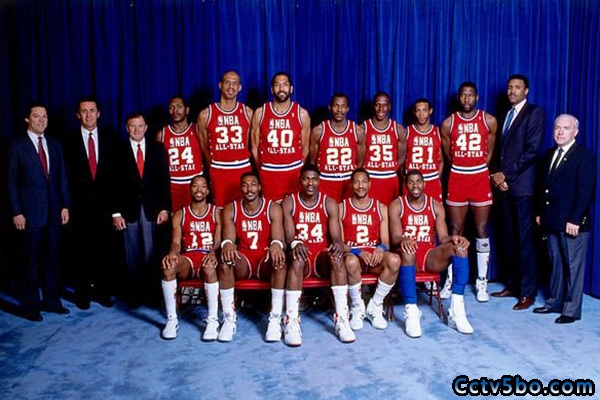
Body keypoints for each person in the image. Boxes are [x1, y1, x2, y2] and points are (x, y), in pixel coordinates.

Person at [389, 170, 473, 337]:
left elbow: (443, 238)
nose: (415, 186)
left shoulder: (435, 206)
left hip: (428, 255)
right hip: (407, 255)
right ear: (405, 185)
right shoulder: (397, 205)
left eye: (418, 181)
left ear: (424, 184)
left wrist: (454, 238)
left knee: (460, 248)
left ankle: (457, 311)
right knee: (408, 251)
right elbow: (395, 237)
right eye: (411, 182)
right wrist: (404, 239)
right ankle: (411, 312)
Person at [7, 102, 70, 321]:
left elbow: (62, 178)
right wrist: (16, 212)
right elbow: (11, 182)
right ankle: (31, 306)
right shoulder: (17, 145)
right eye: (36, 116)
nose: (42, 120)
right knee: (30, 263)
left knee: (52, 260)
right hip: (29, 213)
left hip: (54, 212)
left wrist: (65, 205)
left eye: (44, 116)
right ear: (27, 119)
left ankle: (52, 302)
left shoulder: (55, 145)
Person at [281, 164, 355, 345]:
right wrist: (296, 243)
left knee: (337, 258)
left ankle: (342, 318)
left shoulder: (328, 203)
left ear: (319, 181)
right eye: (306, 179)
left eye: (314, 179)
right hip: (302, 252)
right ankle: (291, 320)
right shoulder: (290, 202)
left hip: (321, 254)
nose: (310, 183)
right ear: (300, 180)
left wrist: (337, 243)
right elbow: (289, 236)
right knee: (297, 258)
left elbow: (336, 236)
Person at [489, 75, 545, 310]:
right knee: (508, 239)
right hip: (504, 187)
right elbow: (497, 150)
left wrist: (506, 175)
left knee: (525, 241)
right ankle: (512, 285)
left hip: (522, 188)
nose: (512, 91)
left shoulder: (535, 113)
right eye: (510, 87)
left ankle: (528, 292)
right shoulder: (505, 113)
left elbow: (532, 151)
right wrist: (495, 174)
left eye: (517, 87)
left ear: (526, 90)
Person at [533, 114, 596, 324]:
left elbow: (586, 191)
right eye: (557, 128)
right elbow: (544, 187)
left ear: (575, 132)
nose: (560, 132)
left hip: (572, 222)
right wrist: (540, 213)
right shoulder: (550, 153)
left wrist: (576, 219)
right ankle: (555, 302)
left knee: (573, 267)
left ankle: (571, 310)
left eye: (566, 128)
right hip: (552, 219)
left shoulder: (584, 156)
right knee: (556, 264)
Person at [440, 82, 497, 302]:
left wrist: (478, 168)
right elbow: (448, 154)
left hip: (479, 177)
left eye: (470, 95)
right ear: (458, 98)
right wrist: (462, 167)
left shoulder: (488, 120)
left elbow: (489, 151)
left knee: (481, 229)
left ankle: (482, 281)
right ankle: (451, 280)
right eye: (463, 95)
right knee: (456, 230)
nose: (466, 99)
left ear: (477, 97)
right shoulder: (448, 123)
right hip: (457, 178)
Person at [218, 172, 287, 342]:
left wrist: (276, 245)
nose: (249, 189)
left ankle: (275, 318)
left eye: (253, 184)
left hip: (265, 258)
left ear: (259, 187)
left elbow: (278, 237)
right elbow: (228, 238)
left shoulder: (272, 207)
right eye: (245, 185)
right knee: (225, 261)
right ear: (240, 188)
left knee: (280, 261)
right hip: (244, 260)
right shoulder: (231, 208)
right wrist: (227, 244)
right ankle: (228, 318)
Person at [63, 97, 118, 309]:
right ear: (78, 115)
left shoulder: (111, 138)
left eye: (92, 110)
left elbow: (117, 175)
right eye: (84, 111)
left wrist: (116, 210)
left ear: (98, 113)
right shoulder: (68, 141)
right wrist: (66, 205)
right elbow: (64, 177)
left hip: (105, 206)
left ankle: (104, 292)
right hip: (79, 207)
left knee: (106, 250)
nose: (88, 115)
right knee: (81, 251)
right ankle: (83, 294)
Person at [112, 112, 171, 308]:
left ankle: (152, 295)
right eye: (132, 126)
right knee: (131, 256)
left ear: (146, 128)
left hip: (152, 210)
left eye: (140, 126)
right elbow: (111, 184)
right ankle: (134, 296)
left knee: (151, 254)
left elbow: (164, 180)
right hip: (127, 211)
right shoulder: (118, 150)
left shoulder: (158, 148)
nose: (136, 129)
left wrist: (164, 208)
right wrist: (116, 213)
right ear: (127, 128)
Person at [160, 175, 222, 340]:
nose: (199, 190)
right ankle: (172, 319)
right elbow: (176, 243)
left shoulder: (216, 213)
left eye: (203, 186)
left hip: (207, 256)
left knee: (209, 267)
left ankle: (212, 321)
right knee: (168, 266)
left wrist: (213, 253)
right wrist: (172, 253)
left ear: (207, 191)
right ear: (190, 189)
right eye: (195, 186)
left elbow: (218, 241)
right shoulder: (180, 214)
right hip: (188, 258)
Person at [340, 168, 401, 331]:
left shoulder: (381, 208)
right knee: (350, 261)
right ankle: (357, 307)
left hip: (374, 258)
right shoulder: (342, 207)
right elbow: (340, 244)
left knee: (394, 260)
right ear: (351, 185)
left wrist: (380, 249)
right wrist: (359, 252)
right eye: (356, 182)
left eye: (364, 182)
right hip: (354, 258)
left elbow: (386, 242)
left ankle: (375, 305)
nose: (360, 186)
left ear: (370, 184)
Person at [250, 71, 311, 202]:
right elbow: (254, 147)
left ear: (291, 89)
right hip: (269, 173)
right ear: (272, 89)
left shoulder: (302, 114)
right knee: (271, 211)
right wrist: (262, 169)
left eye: (285, 84)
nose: (281, 88)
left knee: (293, 210)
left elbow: (305, 148)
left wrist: (298, 168)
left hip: (293, 173)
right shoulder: (260, 113)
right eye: (277, 85)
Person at [197, 71, 254, 208]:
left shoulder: (248, 112)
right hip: (219, 170)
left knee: (244, 210)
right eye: (227, 82)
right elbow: (204, 146)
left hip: (242, 168)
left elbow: (251, 144)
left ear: (240, 87)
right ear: (220, 85)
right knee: (220, 211)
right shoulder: (206, 114)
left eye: (235, 83)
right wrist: (215, 164)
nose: (231, 86)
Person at [309, 93, 366, 202]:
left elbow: (360, 161)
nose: (339, 110)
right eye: (336, 105)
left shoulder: (358, 131)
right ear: (330, 107)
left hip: (348, 182)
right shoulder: (318, 131)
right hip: (326, 181)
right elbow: (312, 161)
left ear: (348, 109)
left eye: (343, 106)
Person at [156, 95, 204, 212]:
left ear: (187, 110)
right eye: (171, 107)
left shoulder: (197, 129)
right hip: (173, 185)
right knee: (175, 220)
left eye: (179, 106)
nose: (175, 110)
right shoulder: (162, 134)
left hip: (194, 184)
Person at [362, 91, 406, 206]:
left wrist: (391, 168)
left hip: (390, 179)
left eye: (384, 105)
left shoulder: (398, 129)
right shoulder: (363, 128)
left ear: (389, 106)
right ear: (373, 106)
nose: (381, 108)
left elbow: (402, 155)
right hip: (370, 177)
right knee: (370, 212)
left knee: (390, 213)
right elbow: (357, 155)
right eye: (378, 105)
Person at [405, 98, 444, 202]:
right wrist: (406, 178)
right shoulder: (407, 132)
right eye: (418, 110)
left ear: (430, 111)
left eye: (424, 110)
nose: (421, 114)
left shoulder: (437, 131)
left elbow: (441, 161)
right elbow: (401, 160)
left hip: (432, 180)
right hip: (411, 181)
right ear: (414, 112)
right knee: (408, 210)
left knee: (434, 210)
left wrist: (436, 178)